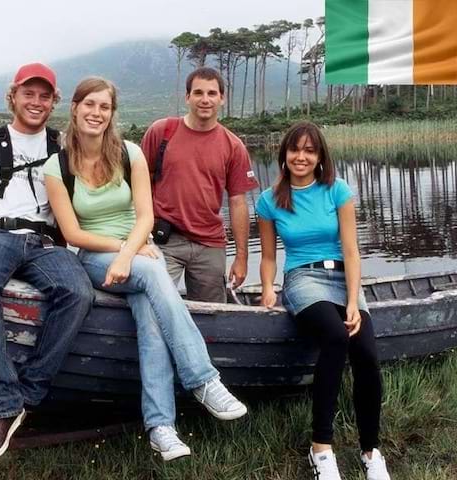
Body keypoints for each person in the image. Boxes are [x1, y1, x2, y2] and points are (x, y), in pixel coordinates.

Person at [44, 77, 247, 461]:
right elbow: (72, 233)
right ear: (74, 108)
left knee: (150, 317)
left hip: (137, 252)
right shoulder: (56, 168)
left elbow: (145, 216)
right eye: (89, 105)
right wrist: (123, 252)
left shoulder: (130, 154)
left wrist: (130, 254)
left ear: (112, 113)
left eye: (104, 107)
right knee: (154, 274)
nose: (96, 113)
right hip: (95, 257)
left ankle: (160, 428)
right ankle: (203, 379)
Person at [0, 63, 94, 465]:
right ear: (13, 97)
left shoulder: (64, 148)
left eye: (44, 95)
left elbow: (79, 205)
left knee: (78, 292)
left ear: (54, 102)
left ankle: (27, 395)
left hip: (45, 242)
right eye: (28, 94)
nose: (36, 102)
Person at [256, 121, 391, 480]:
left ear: (320, 157)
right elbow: (269, 256)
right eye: (295, 149)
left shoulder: (337, 191)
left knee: (366, 354)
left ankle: (371, 451)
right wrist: (268, 287)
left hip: (342, 277)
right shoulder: (269, 200)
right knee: (334, 336)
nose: (301, 157)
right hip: (303, 278)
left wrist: (352, 299)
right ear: (284, 154)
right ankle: (321, 448)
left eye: (310, 150)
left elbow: (351, 249)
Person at [140, 67, 258, 303]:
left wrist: (242, 257)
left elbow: (237, 203)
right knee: (151, 303)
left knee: (212, 313)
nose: (205, 100)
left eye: (212, 93)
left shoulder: (233, 146)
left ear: (222, 99)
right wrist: (140, 238)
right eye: (198, 93)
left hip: (210, 243)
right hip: (165, 239)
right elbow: (139, 185)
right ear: (187, 97)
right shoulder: (162, 132)